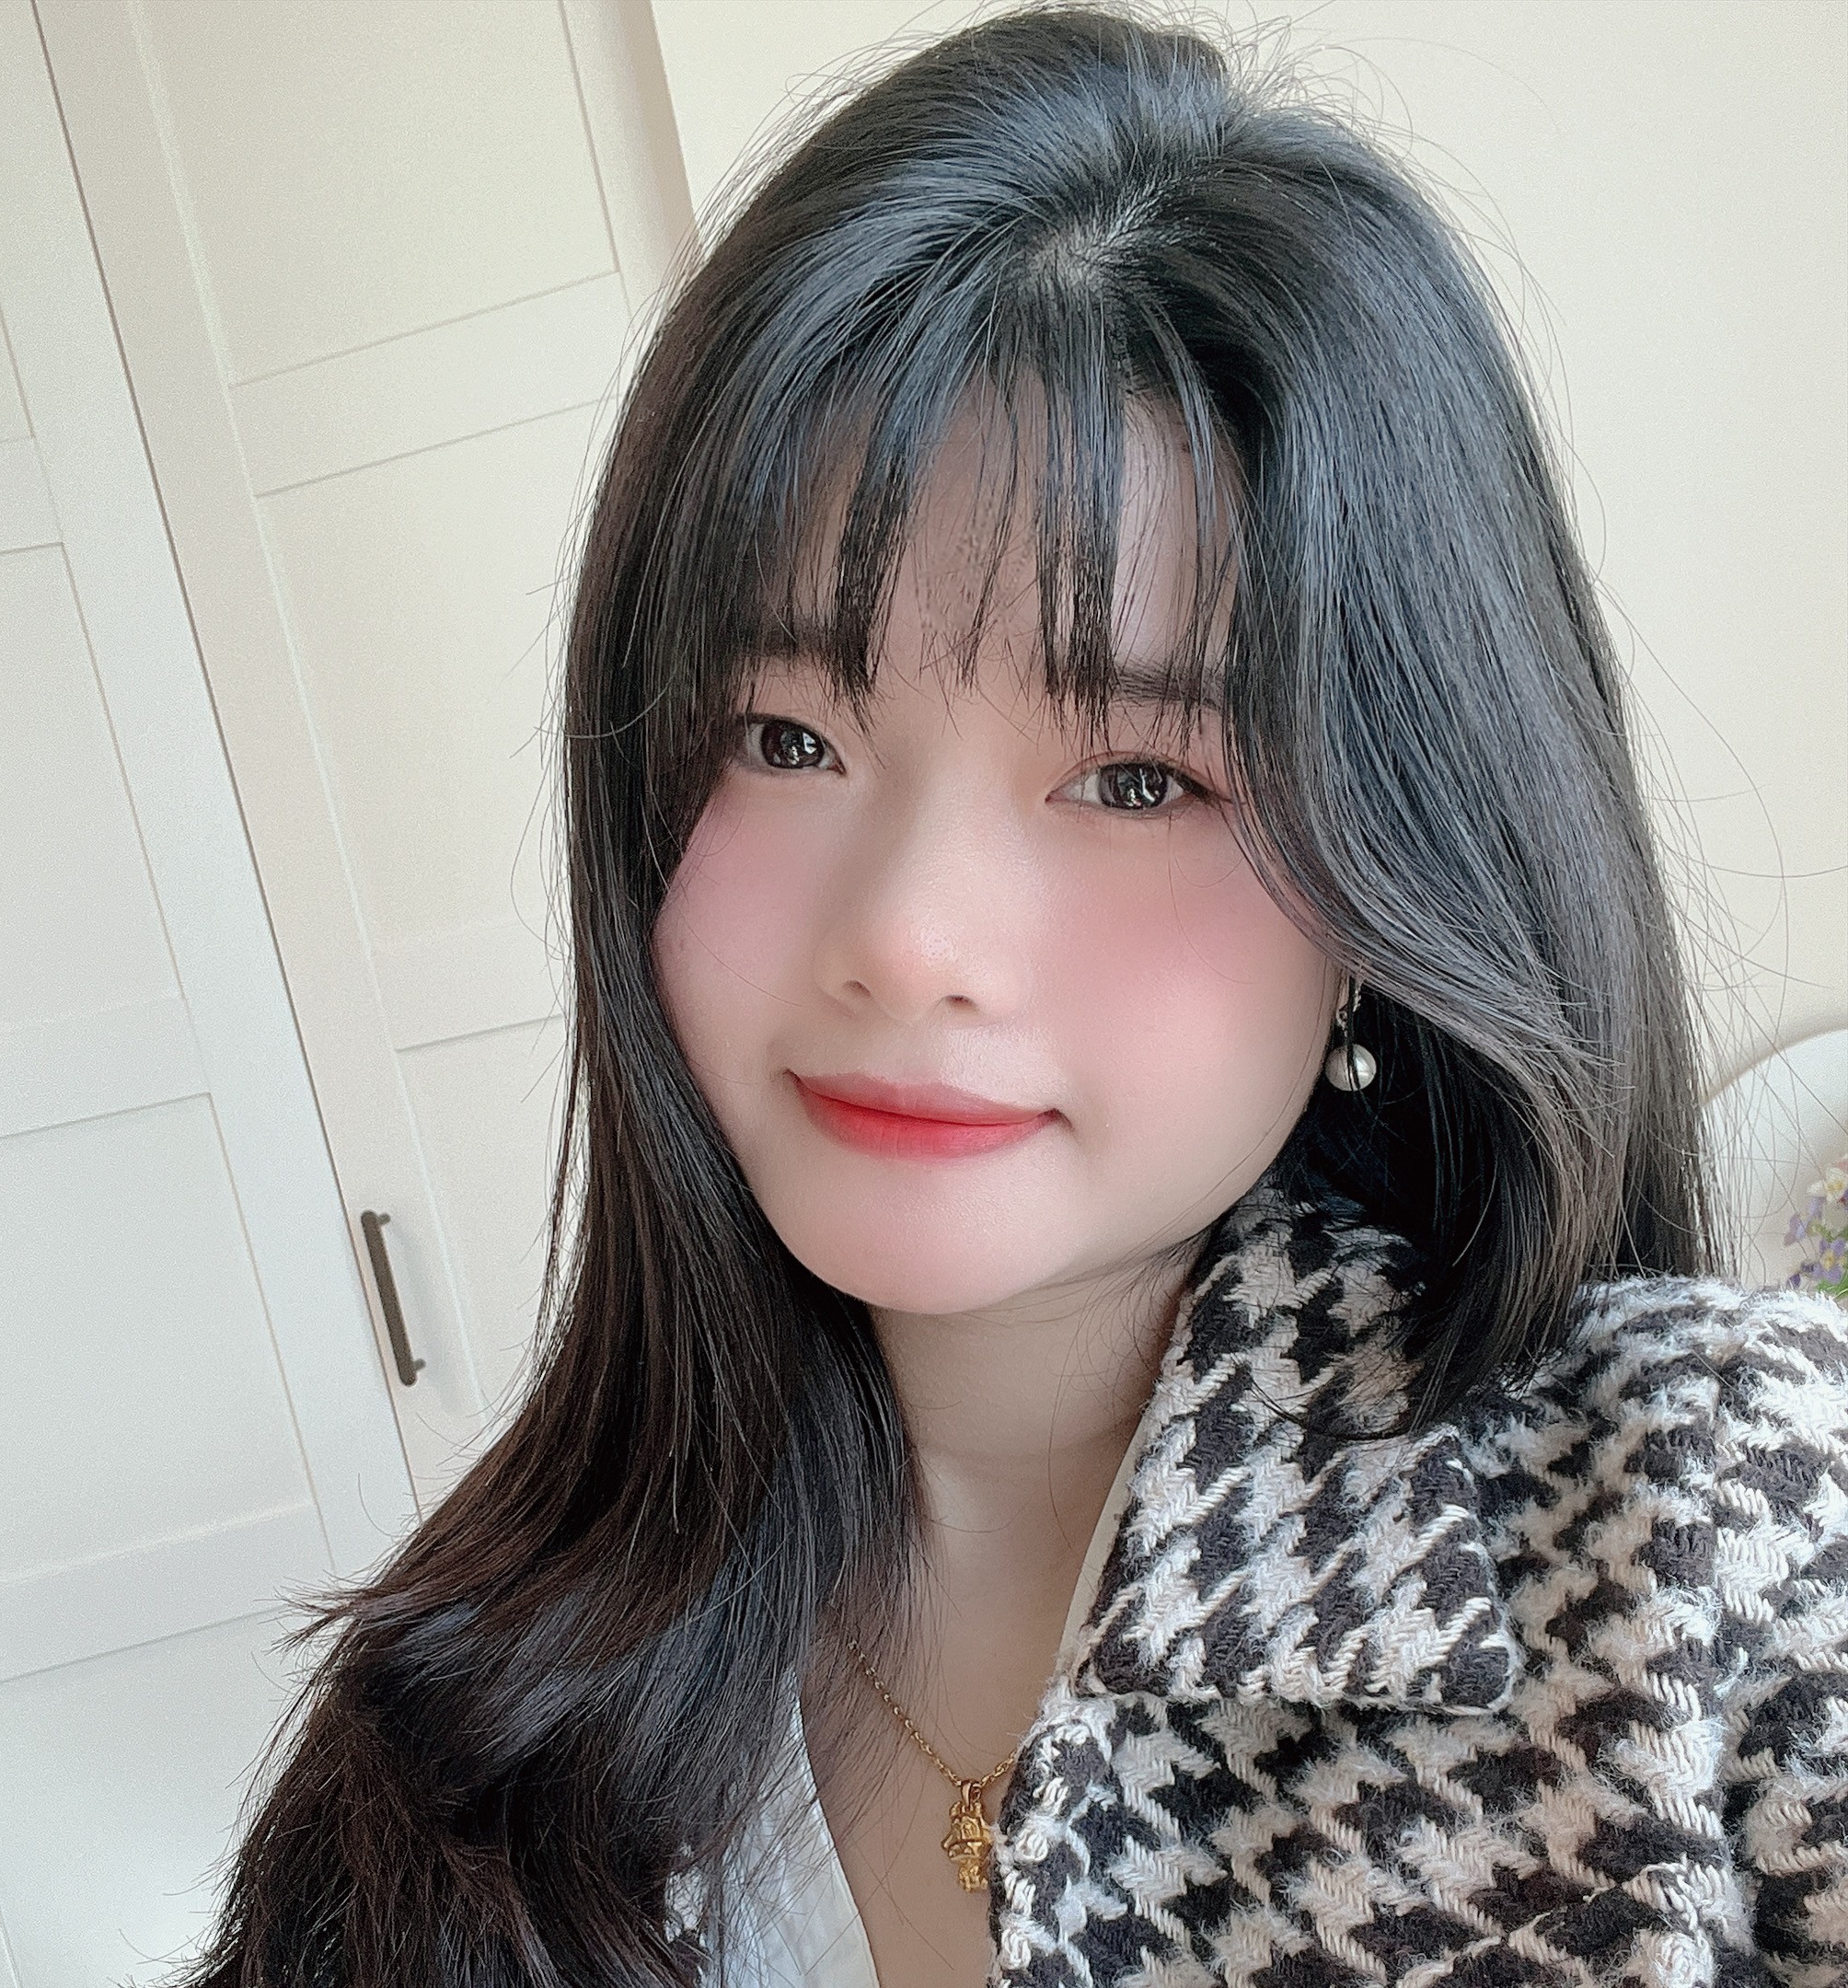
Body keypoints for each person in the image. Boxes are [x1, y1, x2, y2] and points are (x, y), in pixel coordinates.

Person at [176, 7, 1848, 1985]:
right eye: (785, 737)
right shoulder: (450, 1737)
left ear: (1401, 863)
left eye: (1138, 779)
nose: (908, 936)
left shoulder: (1713, 1533)